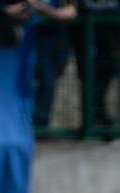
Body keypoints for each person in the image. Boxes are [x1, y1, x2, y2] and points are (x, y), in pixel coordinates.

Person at [72, 0, 120, 136]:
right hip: (85, 41)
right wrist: (109, 8)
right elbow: (84, 6)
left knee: (101, 85)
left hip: (109, 44)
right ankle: (94, 123)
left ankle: (99, 121)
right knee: (87, 83)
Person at [31, 0, 78, 131]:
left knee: (49, 83)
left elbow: (72, 7)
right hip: (35, 39)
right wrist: (53, 13)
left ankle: (41, 125)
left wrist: (71, 9)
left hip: (58, 41)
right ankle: (38, 127)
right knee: (44, 81)